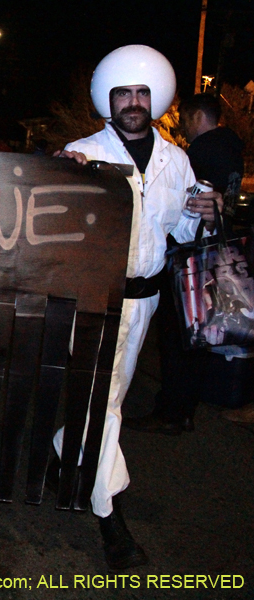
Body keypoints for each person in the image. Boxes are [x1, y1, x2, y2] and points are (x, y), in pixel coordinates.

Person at [53, 45, 223, 571]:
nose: (132, 102)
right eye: (123, 92)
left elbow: (180, 231)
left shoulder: (177, 159)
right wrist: (65, 175)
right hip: (92, 297)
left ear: (157, 97)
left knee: (106, 398)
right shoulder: (80, 151)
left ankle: (67, 449)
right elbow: (51, 217)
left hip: (145, 300)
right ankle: (111, 520)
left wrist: (205, 213)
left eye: (141, 92)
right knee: (104, 403)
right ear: (108, 98)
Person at [125, 93, 246, 435]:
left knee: (178, 338)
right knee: (199, 333)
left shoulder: (200, 153)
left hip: (189, 260)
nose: (181, 126)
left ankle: (174, 411)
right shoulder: (233, 150)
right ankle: (183, 406)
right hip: (214, 257)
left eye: (183, 119)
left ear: (194, 117)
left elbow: (187, 208)